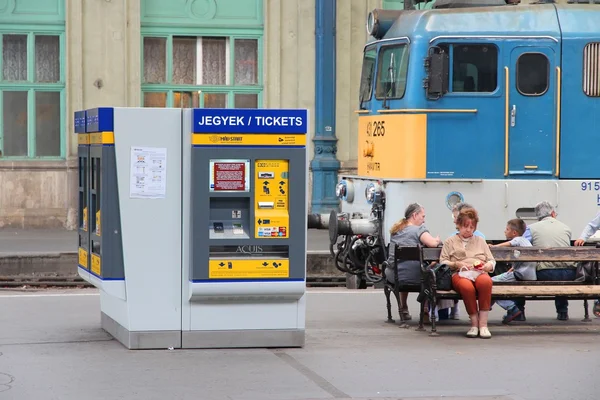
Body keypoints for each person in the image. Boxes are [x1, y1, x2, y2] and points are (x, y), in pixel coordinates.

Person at [440, 207, 495, 338]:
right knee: (466, 287)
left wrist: (487, 266)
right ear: (458, 225)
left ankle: (483, 325)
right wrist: (456, 264)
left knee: (486, 282)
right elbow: (443, 261)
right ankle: (474, 324)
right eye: (465, 226)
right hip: (459, 273)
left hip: (479, 272)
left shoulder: (480, 241)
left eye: (472, 227)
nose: (468, 230)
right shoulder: (450, 241)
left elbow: (491, 260)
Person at [386, 203, 441, 320]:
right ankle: (425, 309)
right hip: (417, 277)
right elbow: (432, 244)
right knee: (431, 270)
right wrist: (436, 240)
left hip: (396, 276)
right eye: (423, 216)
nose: (424, 220)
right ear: (415, 215)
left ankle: (403, 307)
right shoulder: (419, 230)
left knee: (404, 265)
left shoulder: (396, 230)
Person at [528, 201, 576, 320]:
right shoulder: (566, 228)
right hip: (569, 273)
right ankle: (562, 311)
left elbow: (524, 248)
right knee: (561, 277)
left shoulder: (530, 228)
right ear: (553, 213)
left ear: (538, 216)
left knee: (519, 273)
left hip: (545, 272)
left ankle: (519, 312)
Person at [489, 218, 537, 323]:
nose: (504, 231)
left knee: (489, 283)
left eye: (507, 229)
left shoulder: (518, 239)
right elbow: (521, 261)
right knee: (495, 284)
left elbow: (510, 244)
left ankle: (512, 308)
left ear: (514, 232)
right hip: (529, 275)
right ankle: (486, 306)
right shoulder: (526, 241)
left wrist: (493, 247)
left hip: (520, 274)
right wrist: (512, 268)